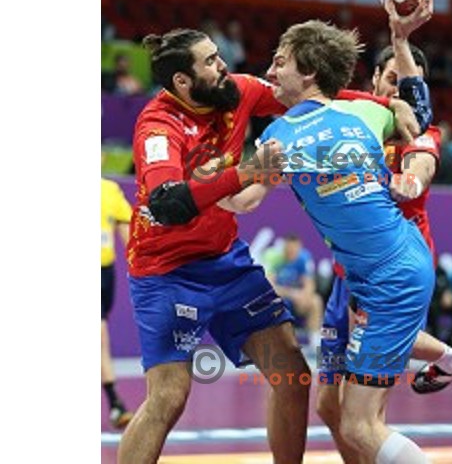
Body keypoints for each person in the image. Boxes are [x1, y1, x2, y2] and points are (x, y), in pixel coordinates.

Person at [118, 28, 421, 464]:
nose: (224, 65)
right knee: (168, 397)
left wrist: (386, 103)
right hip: (167, 272)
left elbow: (316, 96)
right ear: (183, 82)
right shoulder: (158, 126)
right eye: (210, 62)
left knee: (292, 374)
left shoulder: (236, 90)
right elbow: (167, 204)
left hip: (226, 262)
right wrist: (247, 172)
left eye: (218, 56)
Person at [221, 19, 438, 463]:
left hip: (389, 280)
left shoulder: (279, 138)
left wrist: (196, 178)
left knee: (357, 424)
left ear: (309, 73)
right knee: (345, 414)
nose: (270, 71)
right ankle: (451, 357)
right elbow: (413, 111)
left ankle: (451, 357)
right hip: (393, 268)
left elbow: (242, 201)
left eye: (280, 63)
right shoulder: (369, 115)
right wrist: (398, 92)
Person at [313, 0, 452, 462]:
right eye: (392, 79)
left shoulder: (421, 133)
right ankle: (449, 356)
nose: (401, 89)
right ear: (374, 82)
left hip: (392, 271)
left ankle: (447, 356)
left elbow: (412, 185)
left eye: (408, 82)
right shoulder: (352, 116)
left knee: (365, 415)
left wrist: (369, 174)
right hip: (347, 274)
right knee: (331, 408)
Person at [101, 177, 134, 429]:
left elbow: (131, 240)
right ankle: (114, 403)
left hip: (103, 273)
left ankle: (114, 403)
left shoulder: (109, 190)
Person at [262, 235, 323, 352]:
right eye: (289, 251)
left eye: (295, 251)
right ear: (284, 248)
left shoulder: (304, 257)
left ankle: (314, 342)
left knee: (316, 301)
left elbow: (309, 283)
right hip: (280, 298)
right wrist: (292, 294)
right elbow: (269, 287)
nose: (292, 254)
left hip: (297, 300)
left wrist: (305, 296)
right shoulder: (273, 257)